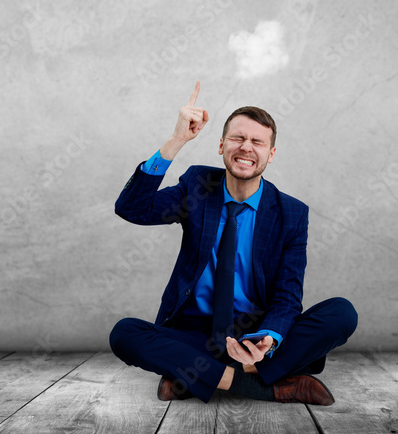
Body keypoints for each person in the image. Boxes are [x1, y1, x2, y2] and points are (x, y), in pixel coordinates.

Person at [109, 81, 358, 405]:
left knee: (341, 313)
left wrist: (268, 338)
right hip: (197, 334)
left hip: (256, 332)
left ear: (271, 153)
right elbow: (132, 208)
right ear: (221, 145)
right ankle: (266, 383)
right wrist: (176, 141)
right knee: (125, 334)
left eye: (257, 141)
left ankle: (194, 375)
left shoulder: (291, 214)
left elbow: (287, 295)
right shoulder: (197, 185)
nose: (246, 147)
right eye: (238, 138)